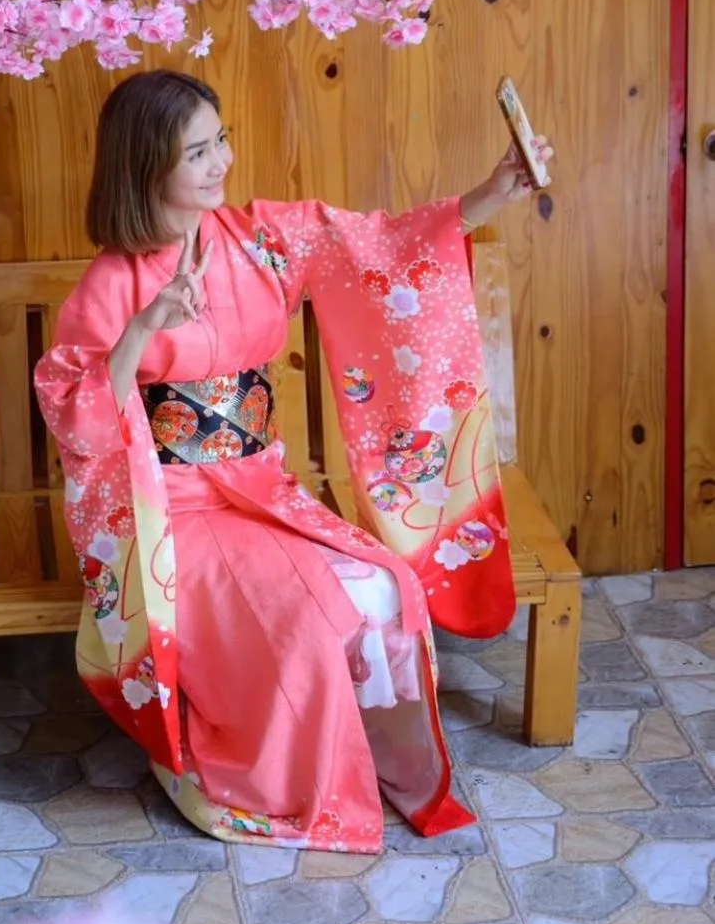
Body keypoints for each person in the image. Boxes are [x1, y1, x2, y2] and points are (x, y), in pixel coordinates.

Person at [34, 69, 552, 853]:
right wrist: (140, 331)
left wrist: (488, 195)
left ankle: (373, 758)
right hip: (172, 511)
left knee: (386, 585)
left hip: (261, 488)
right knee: (307, 624)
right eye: (196, 153)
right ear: (145, 166)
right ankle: (283, 780)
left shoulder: (261, 239)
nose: (221, 162)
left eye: (221, 140)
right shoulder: (112, 280)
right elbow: (77, 415)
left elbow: (377, 248)